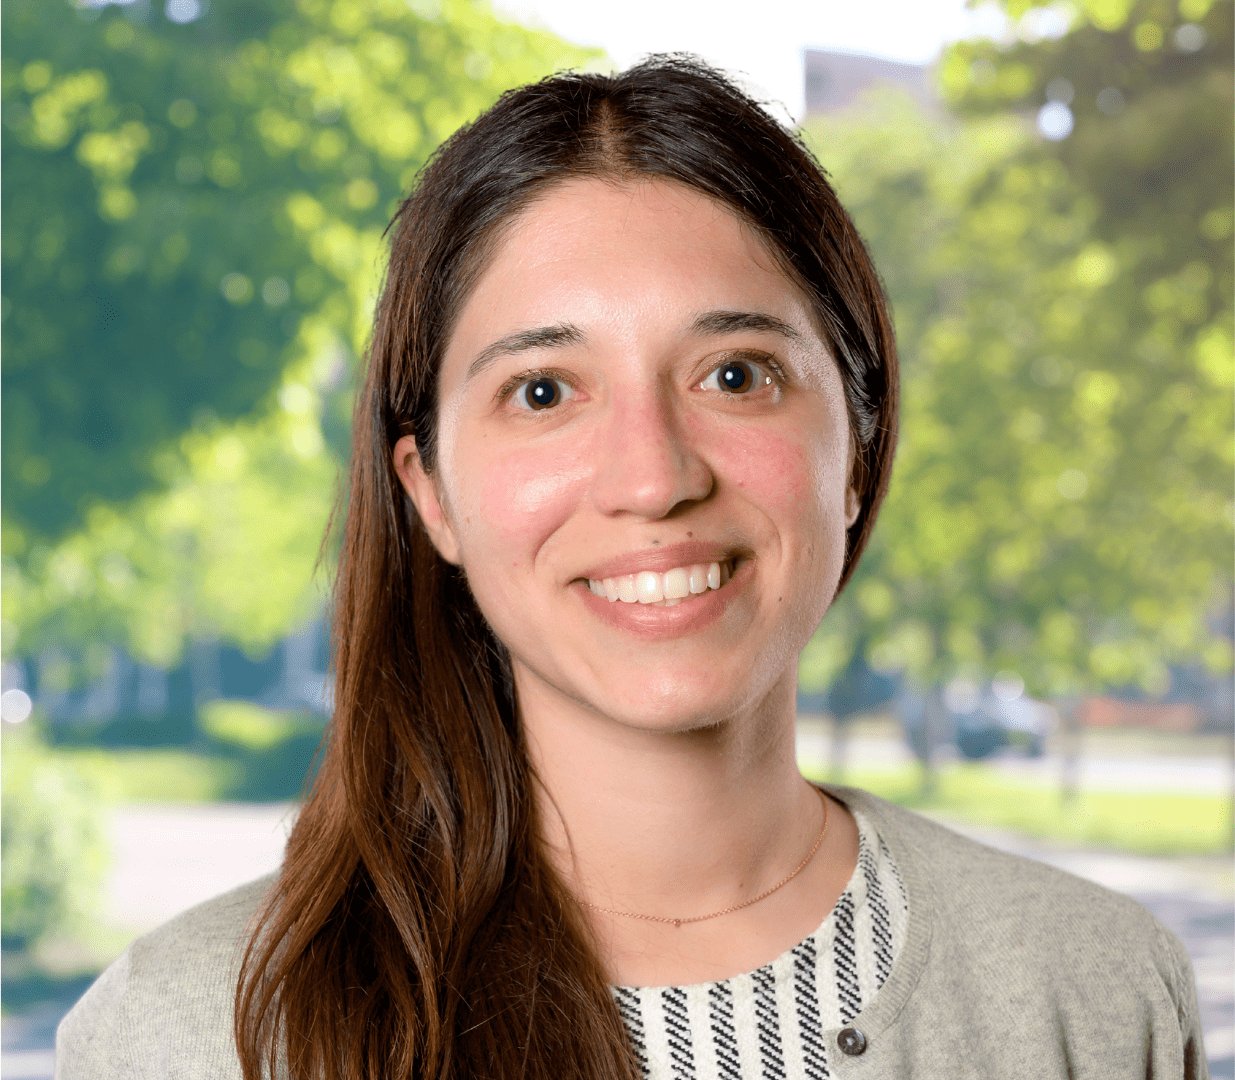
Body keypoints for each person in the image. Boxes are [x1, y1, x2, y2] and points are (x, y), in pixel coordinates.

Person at [57, 56, 1206, 1080]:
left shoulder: (1095, 997)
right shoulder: (194, 1036)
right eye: (543, 391)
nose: (652, 478)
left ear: (854, 449)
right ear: (430, 496)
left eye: (735, 373)